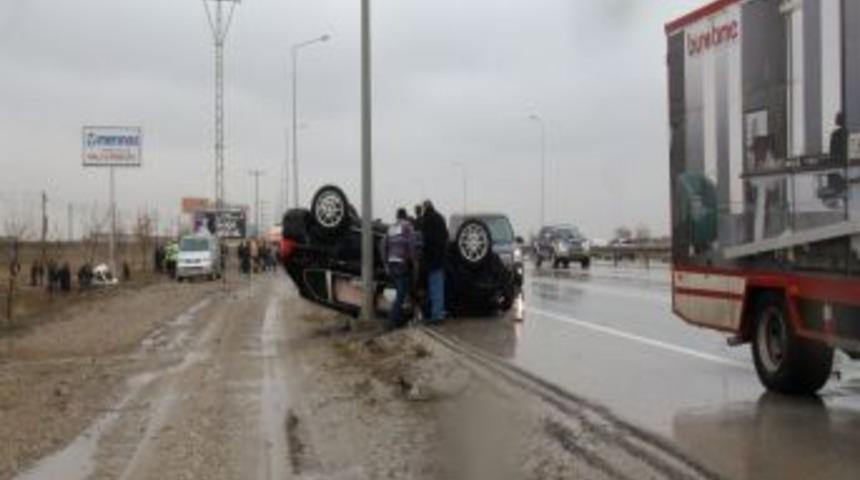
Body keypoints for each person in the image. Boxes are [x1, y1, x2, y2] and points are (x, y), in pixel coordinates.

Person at [384, 208, 416, 330]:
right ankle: (391, 322)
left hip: (392, 264)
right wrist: (414, 262)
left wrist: (386, 264)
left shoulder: (391, 228)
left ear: (397, 216)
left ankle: (399, 320)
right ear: (406, 216)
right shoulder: (408, 226)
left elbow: (383, 245)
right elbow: (411, 246)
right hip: (402, 264)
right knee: (402, 294)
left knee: (400, 292)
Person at [420, 200, 448, 323]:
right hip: (440, 257)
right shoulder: (440, 218)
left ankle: (436, 315)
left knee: (433, 287)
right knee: (439, 287)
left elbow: (425, 240)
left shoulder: (426, 220)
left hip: (431, 259)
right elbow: (446, 235)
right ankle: (439, 312)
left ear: (425, 208)